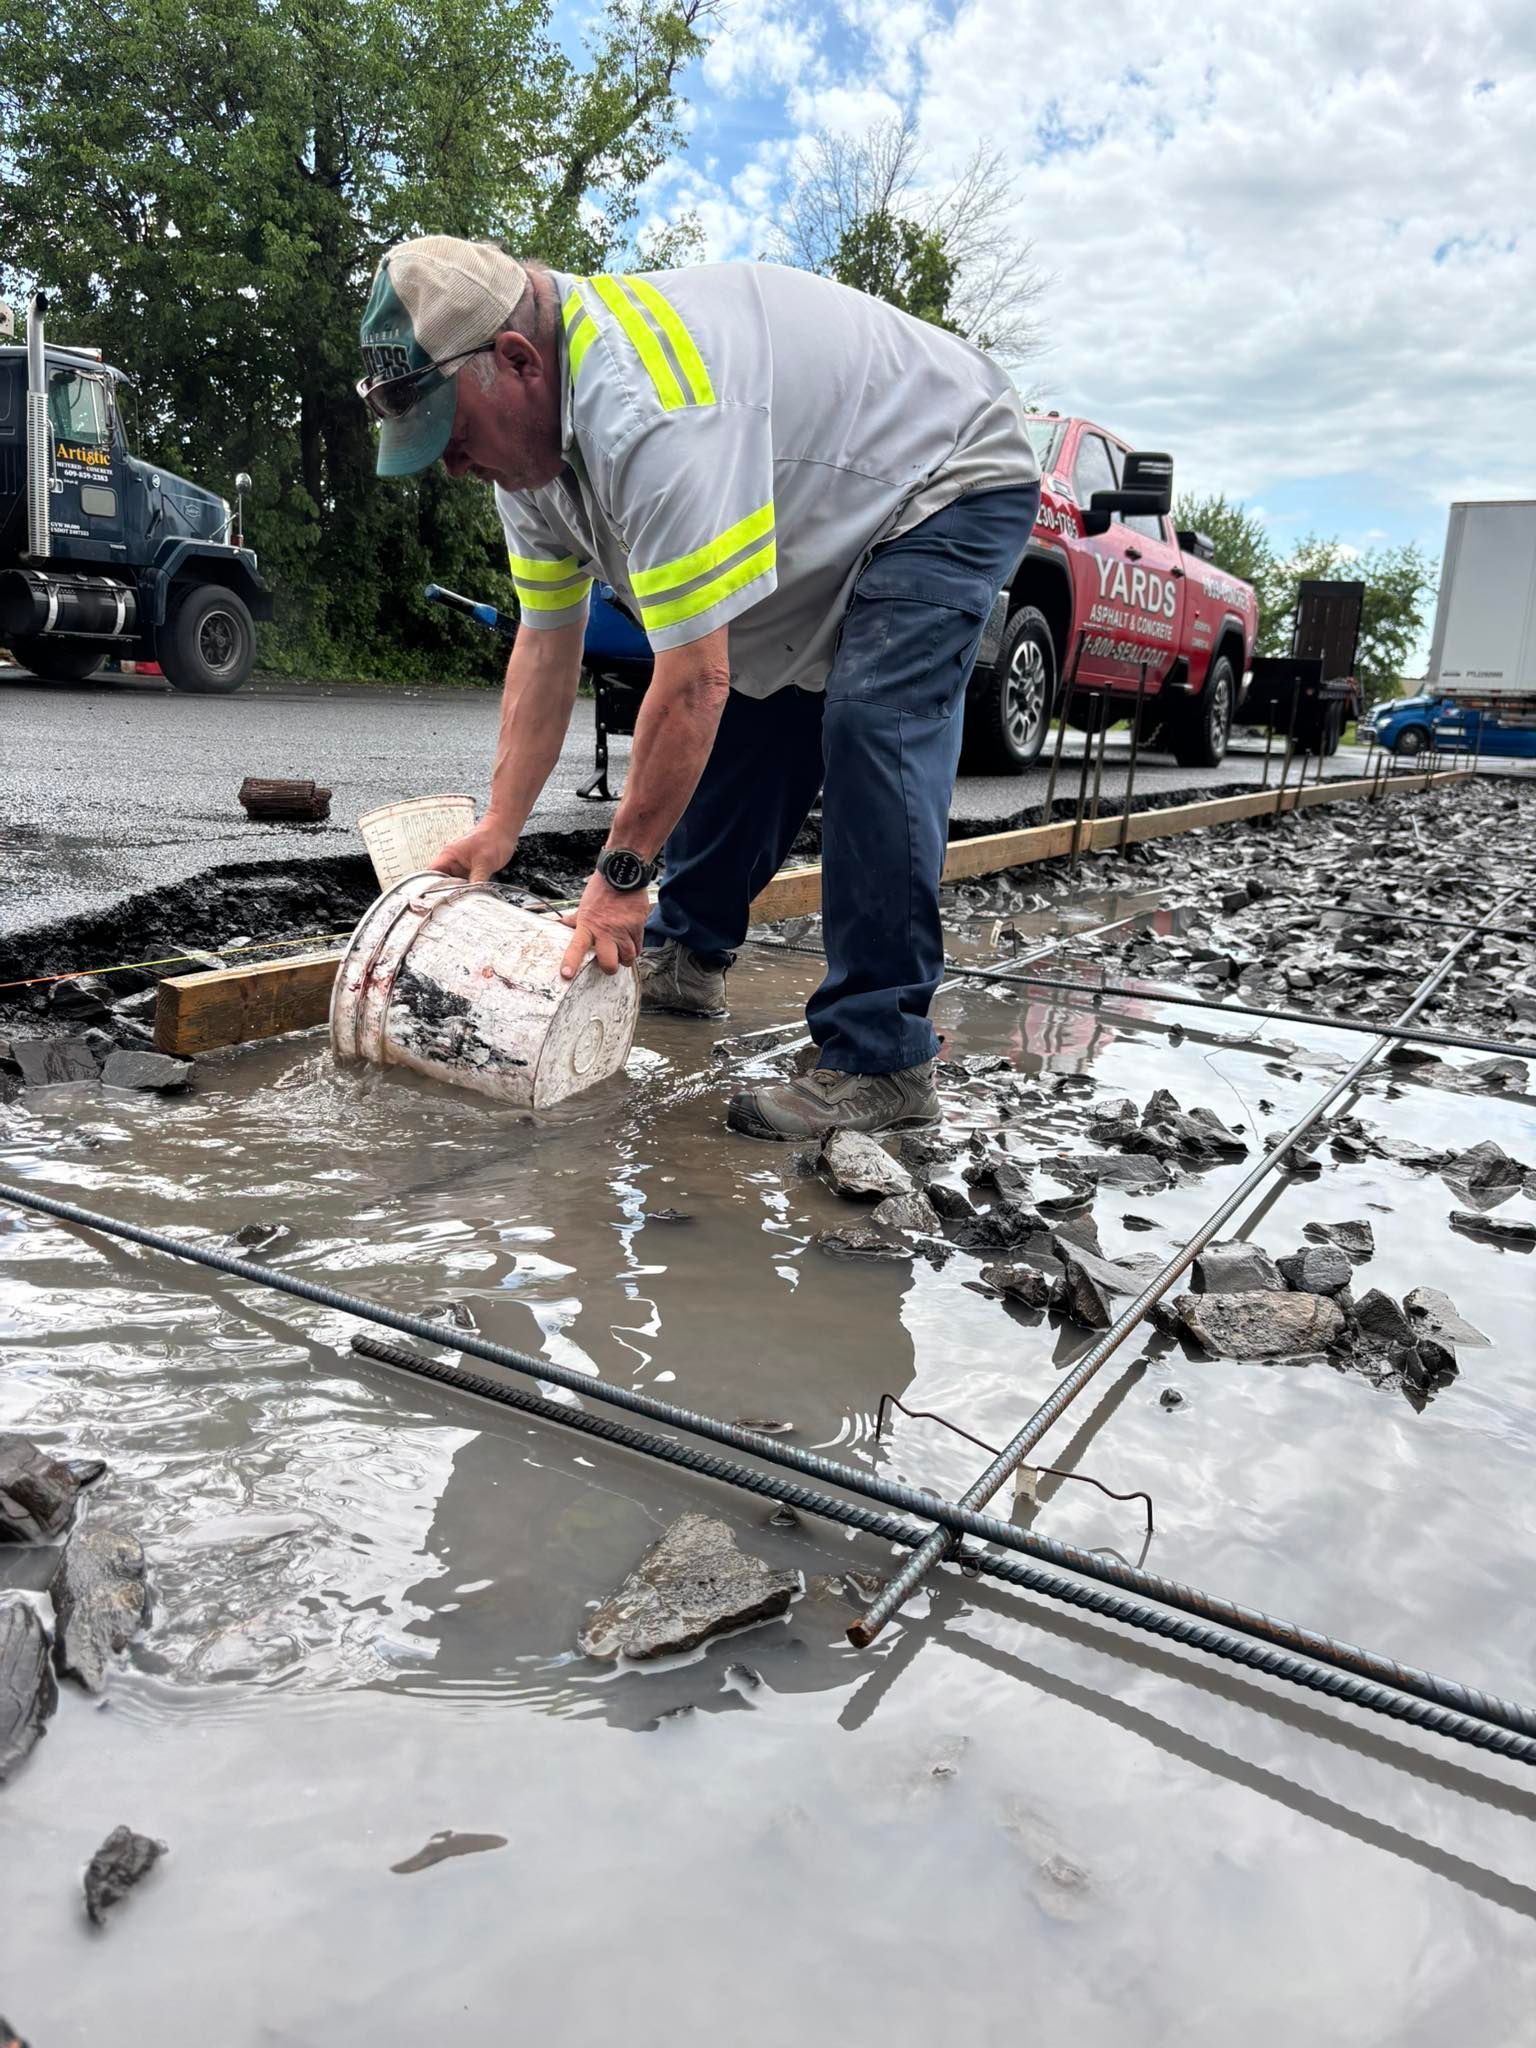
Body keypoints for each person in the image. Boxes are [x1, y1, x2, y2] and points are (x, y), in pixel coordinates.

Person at [356, 236, 1040, 1138]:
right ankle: (686, 951)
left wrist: (621, 874)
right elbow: (545, 646)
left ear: (518, 362)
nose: (450, 466)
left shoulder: (646, 410)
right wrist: (499, 825)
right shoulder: (524, 455)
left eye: (454, 436)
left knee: (874, 718)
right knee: (762, 702)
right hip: (818, 516)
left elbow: (690, 683)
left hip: (943, 473)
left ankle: (884, 1058)